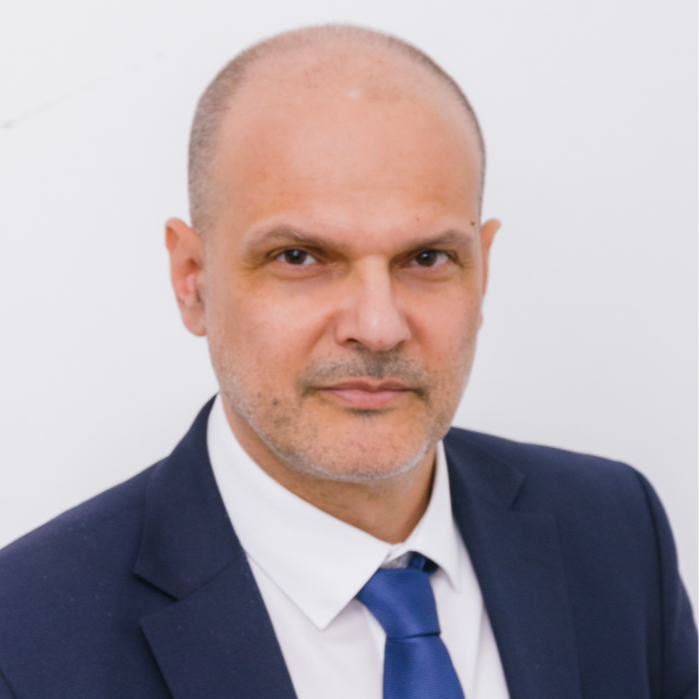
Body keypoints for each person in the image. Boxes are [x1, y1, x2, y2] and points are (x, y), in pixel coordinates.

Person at [0, 23, 696, 699]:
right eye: (299, 257)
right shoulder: (26, 637)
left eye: (427, 258)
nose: (378, 327)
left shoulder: (615, 530)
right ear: (192, 280)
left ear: (481, 273)